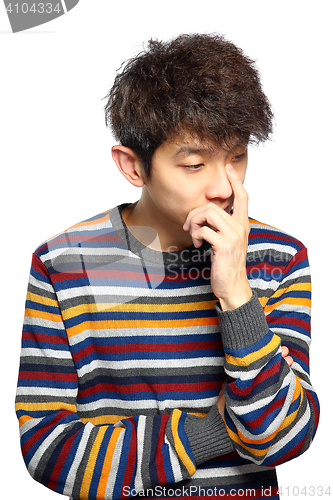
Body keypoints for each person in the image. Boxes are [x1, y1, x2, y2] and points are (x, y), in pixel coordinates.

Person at [15, 33, 319, 500]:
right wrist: (211, 434)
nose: (224, 186)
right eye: (196, 164)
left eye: (237, 157)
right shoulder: (64, 262)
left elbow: (283, 436)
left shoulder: (278, 258)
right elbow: (48, 448)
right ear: (133, 167)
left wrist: (236, 294)